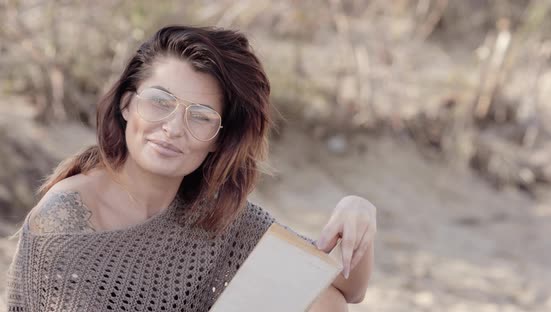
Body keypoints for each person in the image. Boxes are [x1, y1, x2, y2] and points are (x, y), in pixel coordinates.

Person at [5, 25, 376, 311]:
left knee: (322, 300)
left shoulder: (210, 213)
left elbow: (345, 288)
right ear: (126, 105)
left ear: (218, 138)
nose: (173, 128)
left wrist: (357, 213)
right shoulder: (64, 218)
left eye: (199, 116)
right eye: (159, 101)